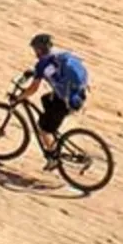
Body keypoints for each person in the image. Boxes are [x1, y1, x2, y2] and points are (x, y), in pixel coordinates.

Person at [18, 33, 89, 169]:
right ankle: (52, 129)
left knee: (43, 129)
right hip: (78, 94)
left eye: (35, 49)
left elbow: (33, 88)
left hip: (66, 102)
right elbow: (52, 72)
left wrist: (19, 98)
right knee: (45, 99)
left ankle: (53, 157)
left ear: (39, 49)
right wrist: (34, 73)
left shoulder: (42, 64)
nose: (35, 52)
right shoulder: (60, 55)